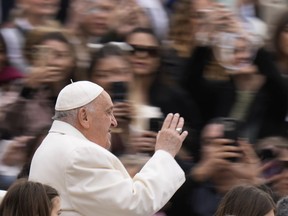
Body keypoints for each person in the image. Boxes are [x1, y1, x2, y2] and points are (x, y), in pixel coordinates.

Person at [29, 80, 188, 216]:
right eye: (108, 112)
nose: (114, 122)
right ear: (84, 116)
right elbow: (133, 204)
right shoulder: (79, 154)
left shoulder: (50, 144)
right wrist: (165, 153)